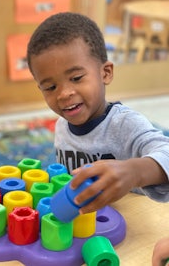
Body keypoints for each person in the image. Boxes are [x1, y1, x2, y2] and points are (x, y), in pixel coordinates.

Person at [27, 12, 169, 215]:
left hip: (131, 227)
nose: (64, 94)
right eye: (50, 87)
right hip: (84, 225)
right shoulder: (61, 126)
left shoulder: (125, 124)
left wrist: (134, 171)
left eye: (76, 78)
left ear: (106, 73)